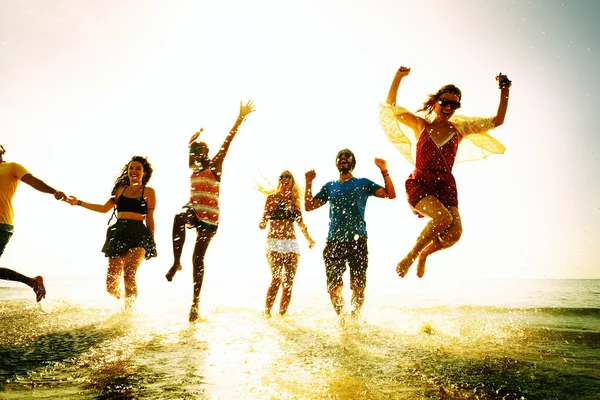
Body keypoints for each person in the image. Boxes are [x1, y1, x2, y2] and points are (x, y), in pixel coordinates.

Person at [380, 65, 511, 278]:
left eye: (454, 104)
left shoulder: (459, 130)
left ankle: (424, 255)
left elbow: (498, 120)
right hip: (421, 182)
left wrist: (504, 89)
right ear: (435, 102)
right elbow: (391, 107)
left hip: (445, 185)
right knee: (442, 218)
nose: (449, 106)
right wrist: (398, 77)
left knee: (454, 233)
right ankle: (411, 256)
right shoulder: (420, 125)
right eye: (444, 101)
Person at [165, 100, 255, 322]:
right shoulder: (195, 167)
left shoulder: (215, 165)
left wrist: (240, 118)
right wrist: (191, 143)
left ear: (207, 153)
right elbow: (191, 151)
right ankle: (176, 262)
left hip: (210, 219)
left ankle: (195, 303)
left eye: (200, 151)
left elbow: (227, 142)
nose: (196, 155)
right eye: (194, 153)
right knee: (178, 216)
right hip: (194, 210)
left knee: (198, 258)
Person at [304, 149, 396, 321]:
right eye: (340, 157)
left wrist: (384, 170)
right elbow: (309, 206)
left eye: (347, 157)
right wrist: (308, 183)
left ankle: (354, 318)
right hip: (334, 242)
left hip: (357, 240)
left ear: (352, 163)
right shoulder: (330, 186)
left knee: (358, 285)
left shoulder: (363, 183)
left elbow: (391, 194)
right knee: (333, 286)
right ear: (337, 163)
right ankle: (342, 319)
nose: (343, 159)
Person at [65, 156, 157, 306]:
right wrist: (78, 203)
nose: (134, 171)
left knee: (129, 273)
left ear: (144, 173)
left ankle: (129, 312)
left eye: (138, 168)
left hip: (139, 234)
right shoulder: (120, 190)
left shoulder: (149, 192)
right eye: (131, 168)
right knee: (111, 285)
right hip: (119, 233)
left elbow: (150, 218)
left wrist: (151, 242)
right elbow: (103, 209)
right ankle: (121, 303)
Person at [0, 144, 66, 302]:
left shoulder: (12, 167)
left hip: (2, 224)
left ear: (3, 150)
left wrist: (53, 191)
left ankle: (32, 282)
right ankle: (32, 282)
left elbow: (33, 181)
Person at [258, 170, 315, 317]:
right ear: (279, 181)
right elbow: (263, 222)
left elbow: (301, 224)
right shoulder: (271, 198)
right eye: (281, 177)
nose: (284, 179)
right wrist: (263, 222)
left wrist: (308, 238)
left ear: (292, 181)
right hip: (274, 242)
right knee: (276, 277)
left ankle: (282, 317)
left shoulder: (294, 201)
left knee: (288, 282)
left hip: (291, 244)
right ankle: (267, 313)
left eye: (287, 177)